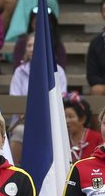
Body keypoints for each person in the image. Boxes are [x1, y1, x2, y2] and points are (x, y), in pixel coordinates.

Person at [8, 33, 67, 164]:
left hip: (51, 122)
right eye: (29, 45)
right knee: (18, 132)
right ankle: (15, 172)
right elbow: (14, 99)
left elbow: (62, 99)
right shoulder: (19, 71)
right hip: (23, 122)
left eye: (35, 45)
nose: (31, 48)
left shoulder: (58, 71)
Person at [63, 92, 103, 164]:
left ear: (82, 119)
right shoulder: (61, 139)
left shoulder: (97, 138)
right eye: (64, 117)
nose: (66, 121)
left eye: (70, 116)